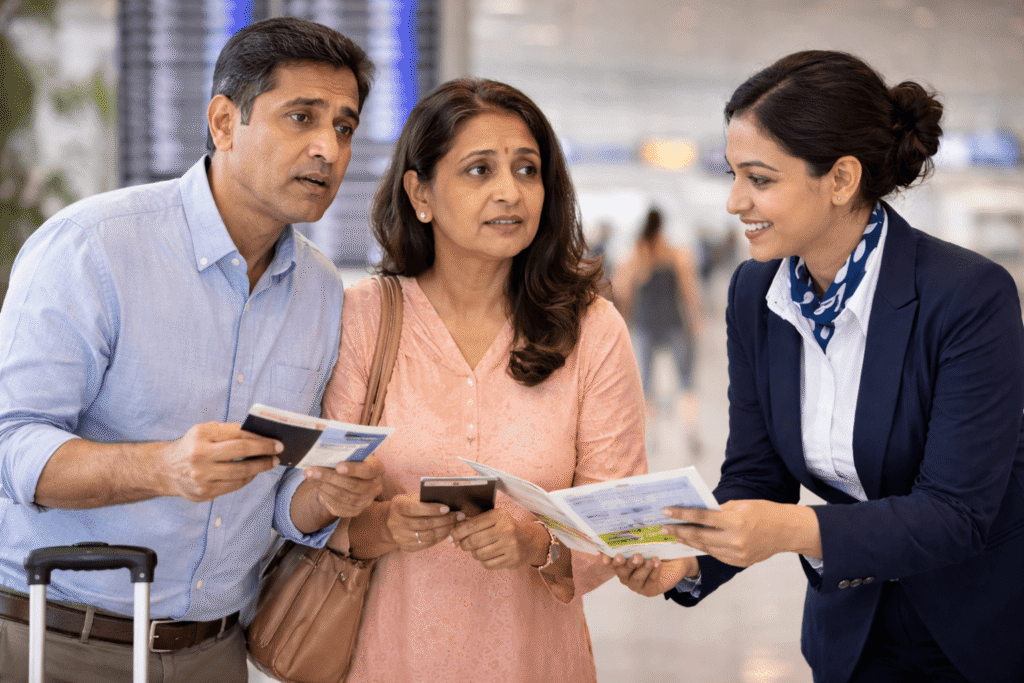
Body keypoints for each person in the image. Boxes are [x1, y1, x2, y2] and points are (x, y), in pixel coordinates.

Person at [606, 50, 1024, 683]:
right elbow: (757, 475)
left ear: (840, 179)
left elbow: (955, 513)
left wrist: (796, 528)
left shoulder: (968, 297)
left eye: (760, 178)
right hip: (850, 633)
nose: (734, 202)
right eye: (733, 174)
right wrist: (688, 564)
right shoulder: (756, 295)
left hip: (978, 631)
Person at [0, 18, 383, 683]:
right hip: (61, 636)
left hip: (214, 651)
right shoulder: (93, 245)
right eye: (302, 117)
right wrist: (165, 467)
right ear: (224, 122)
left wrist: (323, 495)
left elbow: (275, 491)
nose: (328, 148)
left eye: (344, 127)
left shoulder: (323, 291)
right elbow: (11, 446)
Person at [320, 78, 647, 682]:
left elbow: (621, 513)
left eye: (528, 170)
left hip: (536, 662)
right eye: (479, 170)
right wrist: (381, 525)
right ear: (420, 193)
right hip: (386, 659)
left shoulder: (591, 329)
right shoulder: (365, 316)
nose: (510, 192)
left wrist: (539, 546)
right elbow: (313, 505)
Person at [613, 207, 703, 455]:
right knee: (686, 378)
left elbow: (623, 291)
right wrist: (696, 319)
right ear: (662, 226)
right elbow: (689, 289)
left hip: (644, 324)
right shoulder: (675, 253)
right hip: (674, 322)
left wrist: (623, 321)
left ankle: (650, 437)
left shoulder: (636, 254)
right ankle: (691, 431)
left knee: (645, 383)